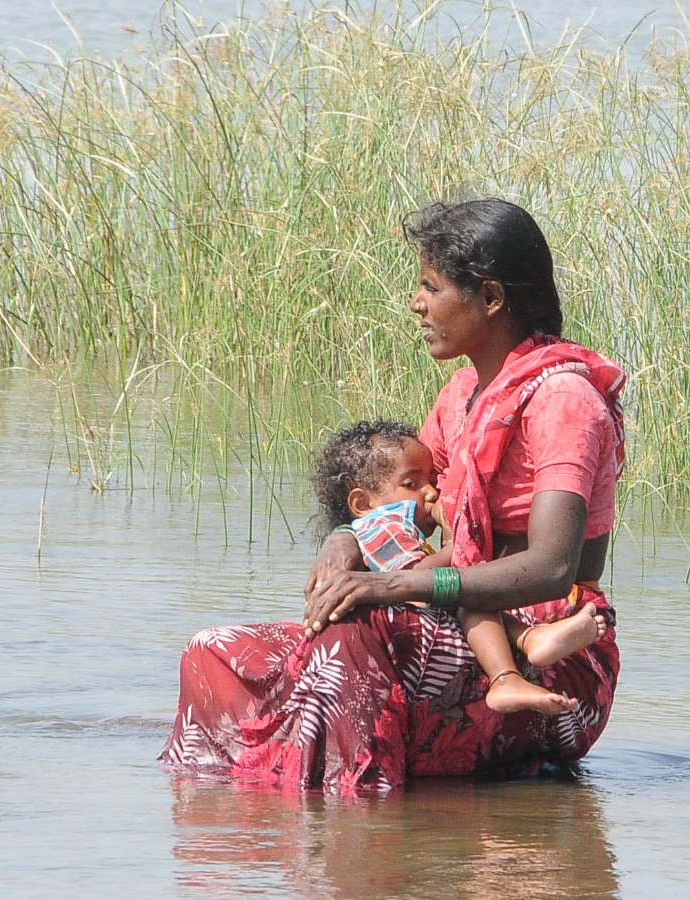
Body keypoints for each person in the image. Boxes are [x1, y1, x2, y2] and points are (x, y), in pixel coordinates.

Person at [160, 198, 624, 792]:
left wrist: (392, 585)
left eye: (431, 287)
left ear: (490, 298)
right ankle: (251, 819)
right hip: (459, 626)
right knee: (214, 652)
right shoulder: (460, 397)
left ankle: (352, 825)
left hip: (554, 652)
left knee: (354, 630)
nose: (417, 303)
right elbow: (396, 509)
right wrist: (341, 545)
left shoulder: (564, 399)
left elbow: (554, 568)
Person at [310, 418, 607, 716]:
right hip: (416, 616)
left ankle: (529, 641)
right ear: (362, 503)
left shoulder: (387, 526)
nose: (431, 494)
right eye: (411, 484)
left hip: (427, 613)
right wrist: (458, 546)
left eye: (433, 482)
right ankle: (508, 671)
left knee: (471, 590)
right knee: (471, 591)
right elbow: (412, 578)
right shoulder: (384, 527)